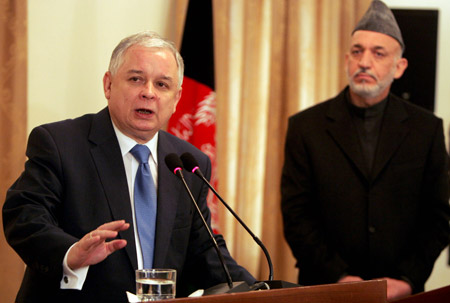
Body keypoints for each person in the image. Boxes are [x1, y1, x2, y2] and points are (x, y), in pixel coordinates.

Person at [3, 31, 255, 303]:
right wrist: (71, 252)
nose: (148, 92)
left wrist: (264, 291)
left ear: (176, 98)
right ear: (108, 85)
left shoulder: (188, 162)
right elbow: (25, 215)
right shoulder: (60, 144)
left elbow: (204, 248)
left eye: (161, 84)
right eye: (136, 79)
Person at [281, 0, 450, 301]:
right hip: (325, 288)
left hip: (401, 293)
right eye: (357, 52)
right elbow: (296, 215)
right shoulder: (306, 127)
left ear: (399, 67)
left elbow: (438, 216)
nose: (364, 62)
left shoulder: (427, 130)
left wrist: (408, 279)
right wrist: (339, 277)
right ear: (347, 59)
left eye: (378, 53)